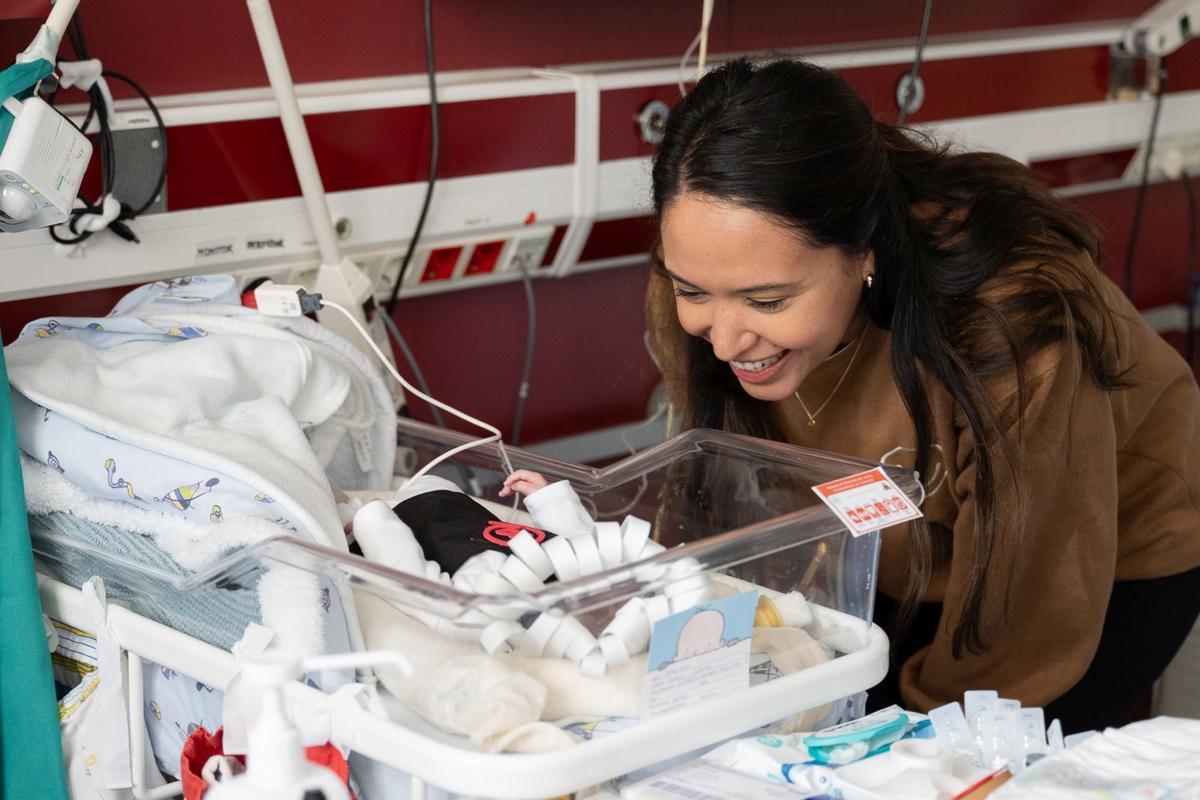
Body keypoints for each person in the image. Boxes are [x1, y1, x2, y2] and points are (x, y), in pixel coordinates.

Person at [645, 57, 1200, 732]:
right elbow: (723, 519)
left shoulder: (1008, 324)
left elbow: (1026, 625)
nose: (726, 340)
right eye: (691, 292)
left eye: (768, 300)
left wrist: (911, 746)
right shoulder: (714, 269)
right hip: (892, 553)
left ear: (866, 252)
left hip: (1081, 566)